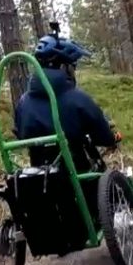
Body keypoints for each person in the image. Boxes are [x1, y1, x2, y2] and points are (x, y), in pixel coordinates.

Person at [14, 25, 119, 169]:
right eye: (73, 66)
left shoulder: (23, 102)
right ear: (64, 67)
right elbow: (105, 138)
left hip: (38, 180)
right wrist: (113, 137)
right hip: (81, 180)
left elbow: (21, 135)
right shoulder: (78, 99)